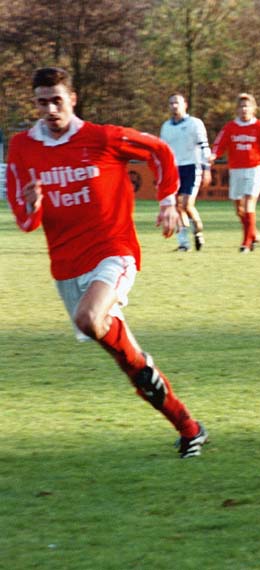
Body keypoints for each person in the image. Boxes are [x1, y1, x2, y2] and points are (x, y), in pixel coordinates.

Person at [6, 67, 208, 458]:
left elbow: (159, 151)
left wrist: (168, 202)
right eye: (41, 102)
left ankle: (138, 361)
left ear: (73, 99)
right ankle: (189, 427)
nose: (49, 109)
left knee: (89, 319)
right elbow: (25, 220)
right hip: (66, 267)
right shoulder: (21, 148)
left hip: (114, 252)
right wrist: (33, 205)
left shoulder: (102, 138)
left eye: (57, 100)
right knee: (128, 362)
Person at [210, 93, 260, 253]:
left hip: (254, 169)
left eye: (247, 106)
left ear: (253, 109)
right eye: (241, 106)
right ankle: (253, 233)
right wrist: (213, 155)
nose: (244, 109)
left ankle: (246, 243)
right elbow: (219, 144)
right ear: (236, 109)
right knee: (239, 209)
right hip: (235, 170)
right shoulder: (230, 127)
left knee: (249, 203)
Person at [159, 92, 211, 252]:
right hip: (173, 169)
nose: (174, 106)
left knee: (188, 205)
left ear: (185, 104)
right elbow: (162, 150)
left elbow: (204, 145)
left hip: (191, 167)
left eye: (177, 103)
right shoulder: (166, 127)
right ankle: (183, 243)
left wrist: (206, 168)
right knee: (175, 206)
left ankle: (198, 231)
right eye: (171, 103)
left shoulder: (195, 123)